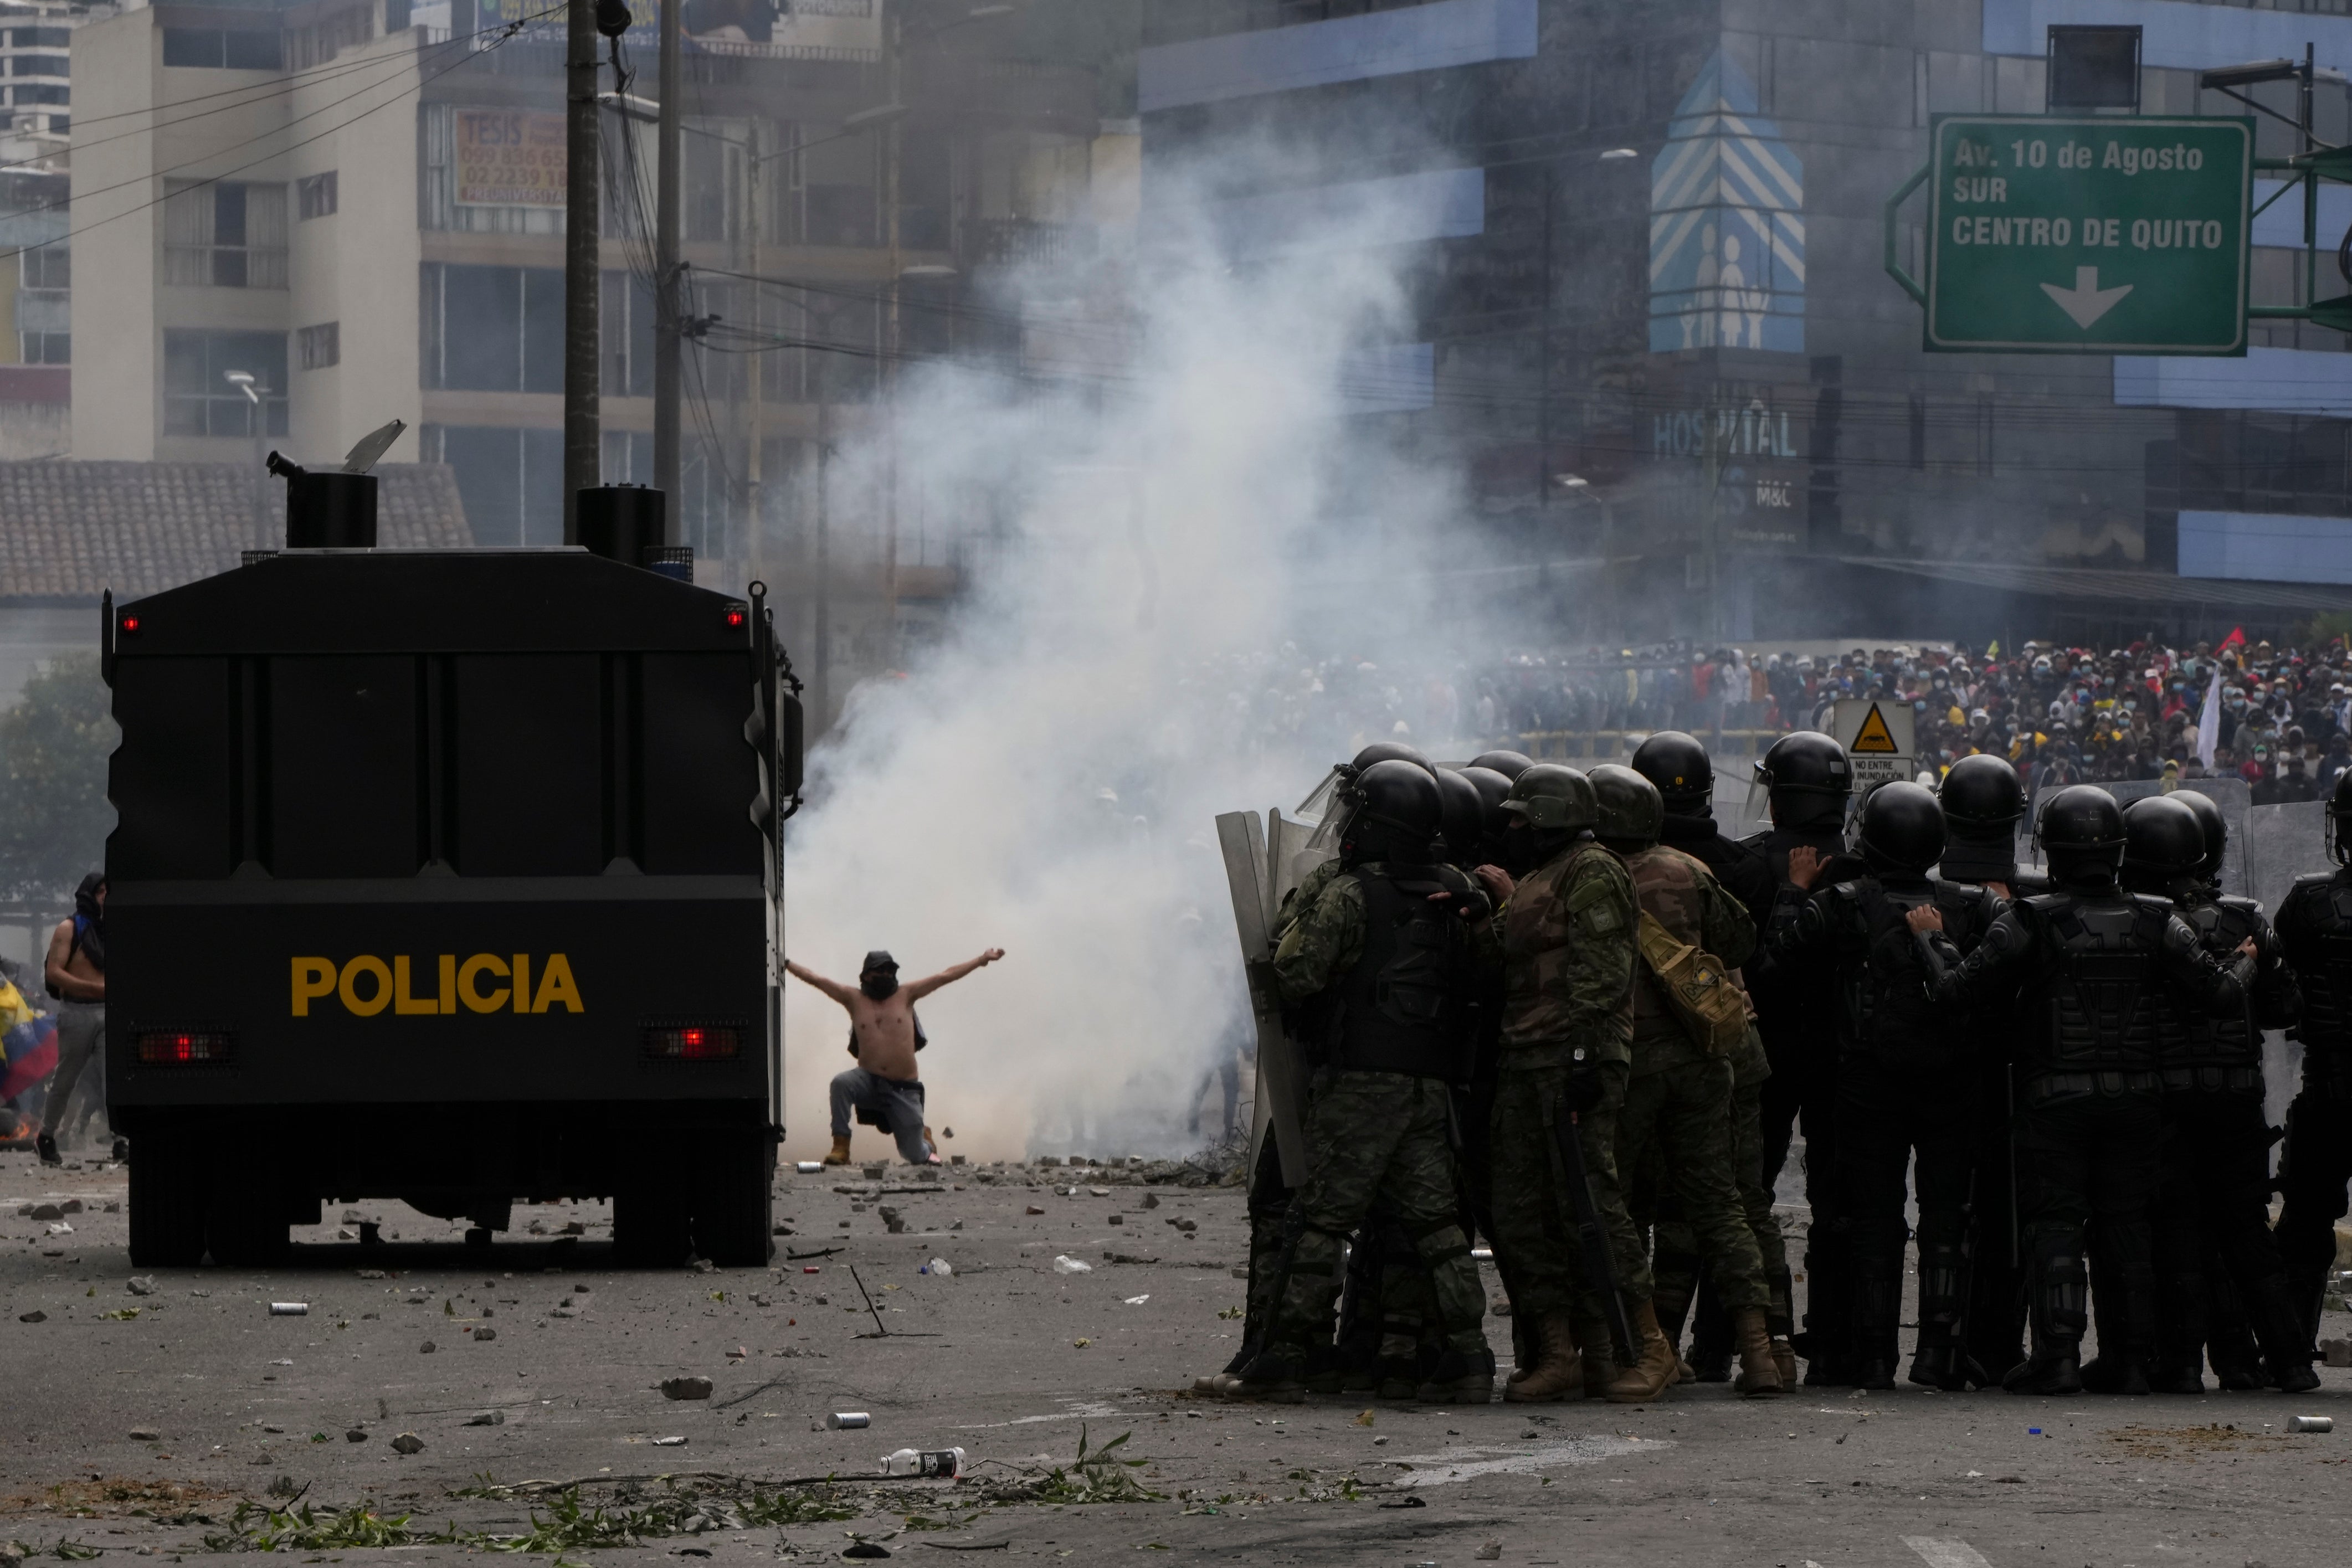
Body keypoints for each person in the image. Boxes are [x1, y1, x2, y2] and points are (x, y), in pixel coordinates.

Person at [1912, 785, 2255, 1394]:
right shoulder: (2159, 920)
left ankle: (2059, 1356)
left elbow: (1954, 990)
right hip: (2138, 1101)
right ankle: (2128, 1360)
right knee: (2127, 1227)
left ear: (2051, 851)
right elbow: (2223, 994)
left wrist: (1929, 938)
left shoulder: (2030, 918)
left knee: (2056, 1224)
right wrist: (2251, 957)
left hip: (2054, 1100)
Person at [1226, 760, 1496, 1405]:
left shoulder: (1351, 894)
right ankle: (1469, 1356)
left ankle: (1287, 1353)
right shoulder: (1458, 893)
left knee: (1319, 1222)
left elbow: (1293, 974)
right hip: (1429, 1087)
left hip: (1359, 1087)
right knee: (1436, 1228)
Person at [1771, 782, 2002, 1390]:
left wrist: (1794, 892)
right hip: (1951, 1083)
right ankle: (1939, 1355)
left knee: (1874, 1221)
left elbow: (1779, 959)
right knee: (1946, 1220)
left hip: (1868, 1081)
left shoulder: (1842, 902)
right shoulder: (1974, 906)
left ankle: (1872, 1357)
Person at [1594, 763, 1781, 1396]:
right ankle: (1762, 1350)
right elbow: (1738, 938)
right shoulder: (1689, 869)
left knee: (1617, 1207)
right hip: (1704, 1057)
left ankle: (1642, 1347)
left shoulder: (1586, 877)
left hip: (1630, 1062)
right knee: (1721, 1203)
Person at [2117, 795, 2314, 1395]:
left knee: (2174, 1229)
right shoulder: (2246, 917)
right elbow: (2284, 1009)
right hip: (2234, 1098)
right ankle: (2279, 1361)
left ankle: (2178, 1365)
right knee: (2245, 1232)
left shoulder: (2137, 918)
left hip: (2164, 1099)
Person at [1481, 763, 1646, 1403]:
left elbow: (1601, 969)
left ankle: (1623, 1347)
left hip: (1566, 1059)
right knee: (1525, 1212)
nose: (1515, 827)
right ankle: (1558, 1351)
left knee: (1590, 1206)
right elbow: (1505, 947)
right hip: (1526, 1059)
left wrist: (1582, 1054)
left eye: (1522, 817)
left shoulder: (1592, 868)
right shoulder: (1537, 878)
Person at [1739, 731, 1866, 1384]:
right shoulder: (1868, 866)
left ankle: (1731, 1340)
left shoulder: (1745, 864)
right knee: (1836, 1201)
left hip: (1763, 1053)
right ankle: (1837, 1343)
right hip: (1840, 1056)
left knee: (1745, 1197)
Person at [786, 946, 1004, 1166]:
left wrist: (981, 960)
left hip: (903, 1088)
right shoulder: (852, 998)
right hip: (868, 1080)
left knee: (917, 1156)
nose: (885, 976)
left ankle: (924, 1139)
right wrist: (786, 964)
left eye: (890, 971)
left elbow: (945, 976)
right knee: (841, 1083)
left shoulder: (907, 994)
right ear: (866, 975)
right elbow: (816, 979)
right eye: (879, 971)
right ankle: (841, 1146)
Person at [2271, 766, 2352, 1356]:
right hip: (2326, 1083)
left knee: (2304, 1225)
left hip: (2330, 1086)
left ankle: (2291, 1351)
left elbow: (2281, 978)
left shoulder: (2310, 899)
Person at [36, 872, 105, 1168]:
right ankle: (47, 1137)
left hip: (108, 1012)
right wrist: (93, 988)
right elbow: (54, 972)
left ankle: (121, 1140)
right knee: (66, 1080)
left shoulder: (114, 930)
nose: (105, 896)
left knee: (112, 1078)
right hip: (76, 1013)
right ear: (88, 895)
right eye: (100, 891)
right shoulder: (69, 928)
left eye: (108, 890)